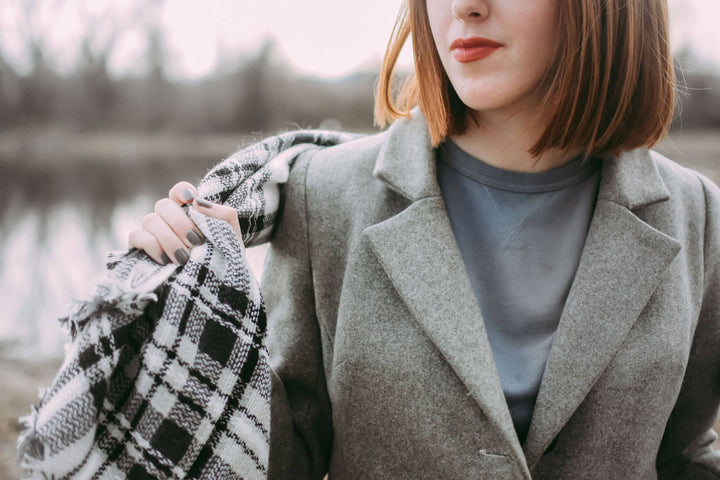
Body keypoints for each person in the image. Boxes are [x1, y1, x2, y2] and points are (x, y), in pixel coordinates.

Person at [129, 0, 720, 478]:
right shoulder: (322, 194)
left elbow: (685, 455)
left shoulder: (698, 214)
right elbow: (285, 459)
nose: (464, 7)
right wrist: (206, 311)